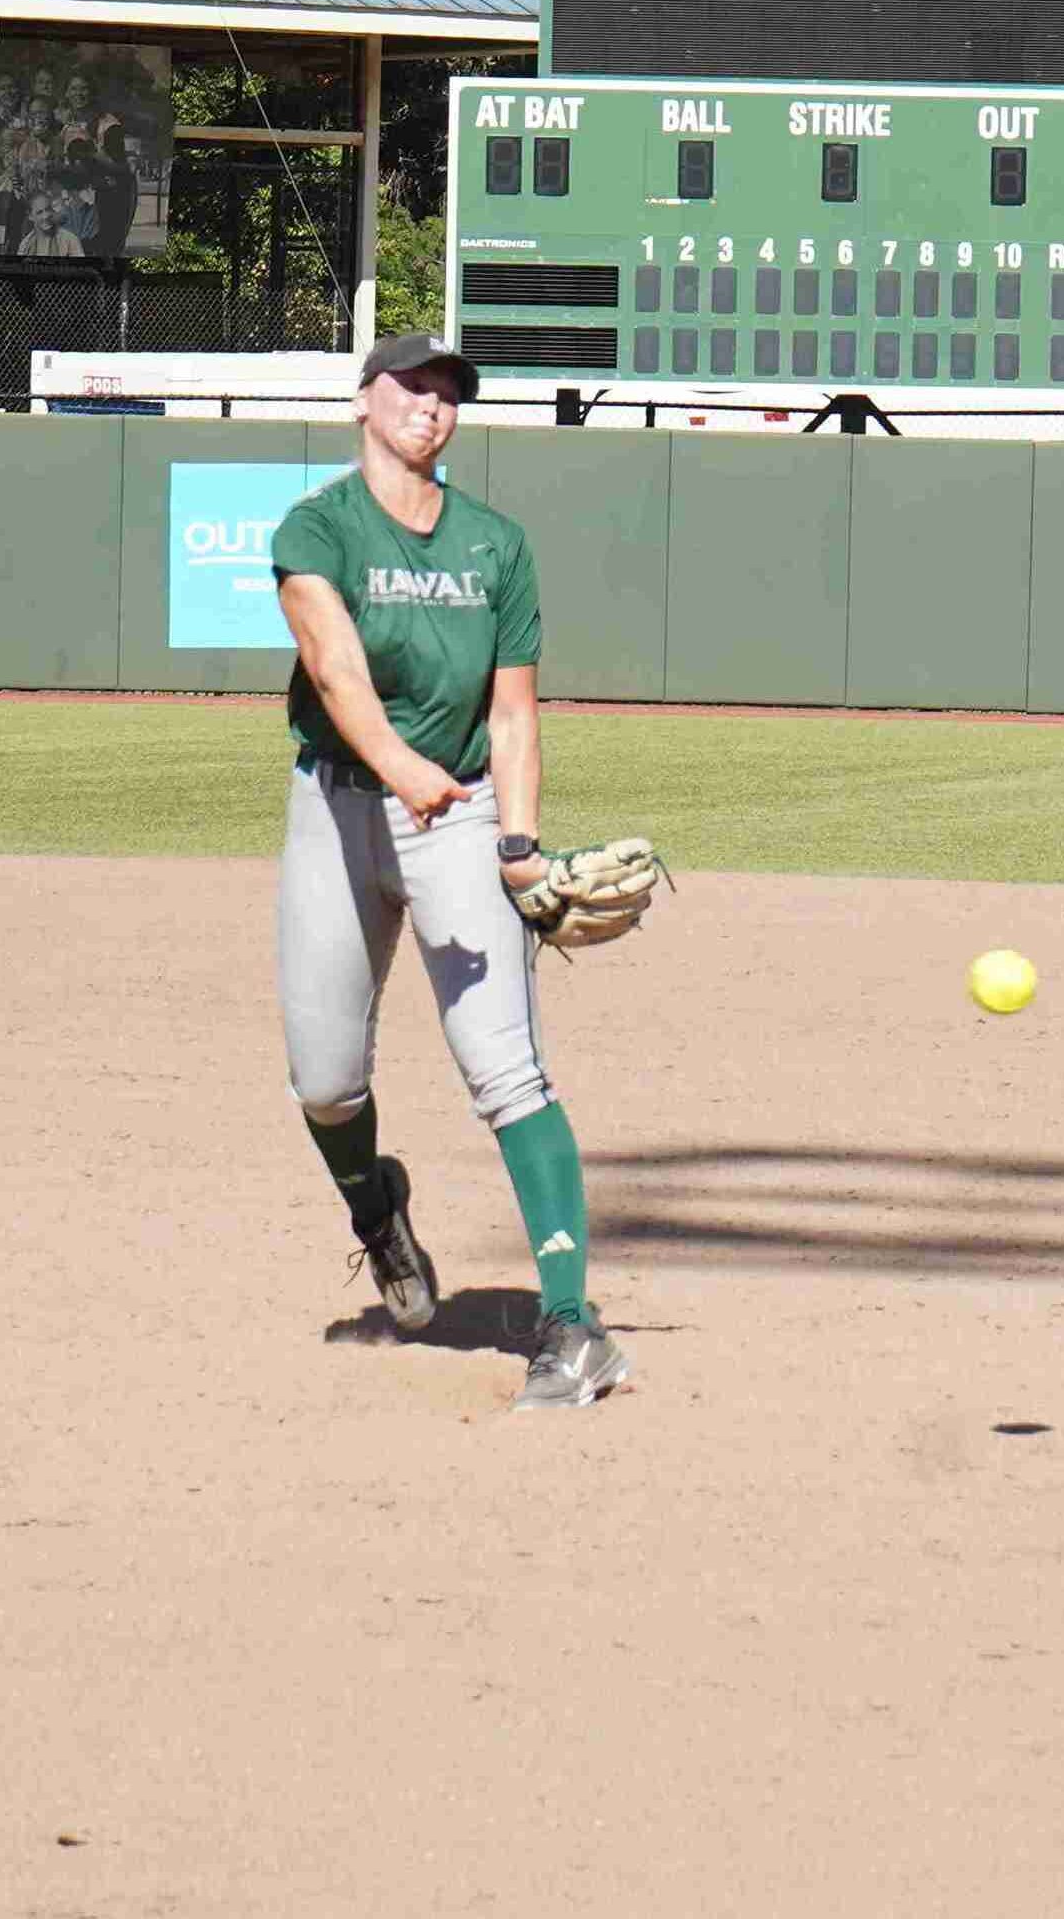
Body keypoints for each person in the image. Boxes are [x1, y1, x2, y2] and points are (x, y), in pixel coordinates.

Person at [270, 333, 628, 1411]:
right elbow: (332, 666)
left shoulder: (494, 545)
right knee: (326, 1081)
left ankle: (571, 1325)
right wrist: (396, 766)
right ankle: (378, 1213)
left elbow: (514, 710)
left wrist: (517, 847)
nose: (432, 404)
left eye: (448, 394)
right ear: (364, 401)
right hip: (337, 807)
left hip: (459, 816)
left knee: (506, 1068)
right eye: (412, 386)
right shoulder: (315, 526)